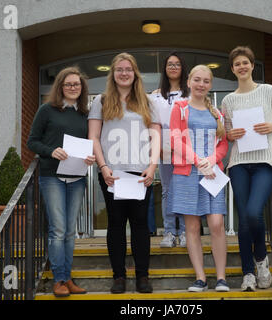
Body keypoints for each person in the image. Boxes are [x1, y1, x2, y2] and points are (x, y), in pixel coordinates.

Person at [88, 53, 161, 294]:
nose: (124, 73)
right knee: (116, 224)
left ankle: (142, 277)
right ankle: (118, 276)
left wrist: (152, 166)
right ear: (113, 73)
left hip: (141, 173)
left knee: (140, 225)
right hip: (112, 173)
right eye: (119, 69)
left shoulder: (148, 101)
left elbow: (156, 136)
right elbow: (94, 138)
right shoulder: (101, 100)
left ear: (135, 73)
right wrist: (103, 167)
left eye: (128, 69)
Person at [222, 46, 272, 291]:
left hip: (264, 162)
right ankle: (248, 273)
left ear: (252, 65)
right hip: (239, 163)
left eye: (245, 63)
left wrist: (271, 127)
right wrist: (230, 134)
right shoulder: (228, 100)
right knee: (244, 221)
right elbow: (228, 133)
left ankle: (261, 260)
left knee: (253, 213)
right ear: (232, 69)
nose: (242, 67)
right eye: (237, 64)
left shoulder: (268, 90)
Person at [27, 66, 95, 297]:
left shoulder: (85, 114)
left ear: (82, 88)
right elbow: (32, 142)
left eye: (77, 84)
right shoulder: (47, 110)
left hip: (77, 178)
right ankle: (59, 280)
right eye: (68, 84)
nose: (73, 87)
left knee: (69, 232)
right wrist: (51, 151)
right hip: (52, 177)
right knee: (57, 230)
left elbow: (90, 142)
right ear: (60, 87)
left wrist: (90, 157)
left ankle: (68, 278)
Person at [168, 65, 229, 292]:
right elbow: (175, 139)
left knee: (216, 224)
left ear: (210, 85)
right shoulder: (180, 108)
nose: (201, 84)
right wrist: (197, 160)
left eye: (205, 81)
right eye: (197, 80)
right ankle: (201, 278)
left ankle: (221, 277)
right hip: (187, 173)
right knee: (192, 227)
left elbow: (223, 143)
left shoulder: (217, 113)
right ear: (189, 82)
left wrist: (211, 159)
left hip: (212, 172)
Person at [152, 52, 189, 248]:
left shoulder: (189, 93)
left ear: (182, 68)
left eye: (177, 64)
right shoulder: (156, 95)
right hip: (164, 146)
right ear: (165, 69)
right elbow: (152, 123)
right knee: (167, 190)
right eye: (169, 64)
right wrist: (157, 146)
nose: (173, 67)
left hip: (185, 146)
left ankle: (184, 232)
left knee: (183, 188)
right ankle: (169, 232)